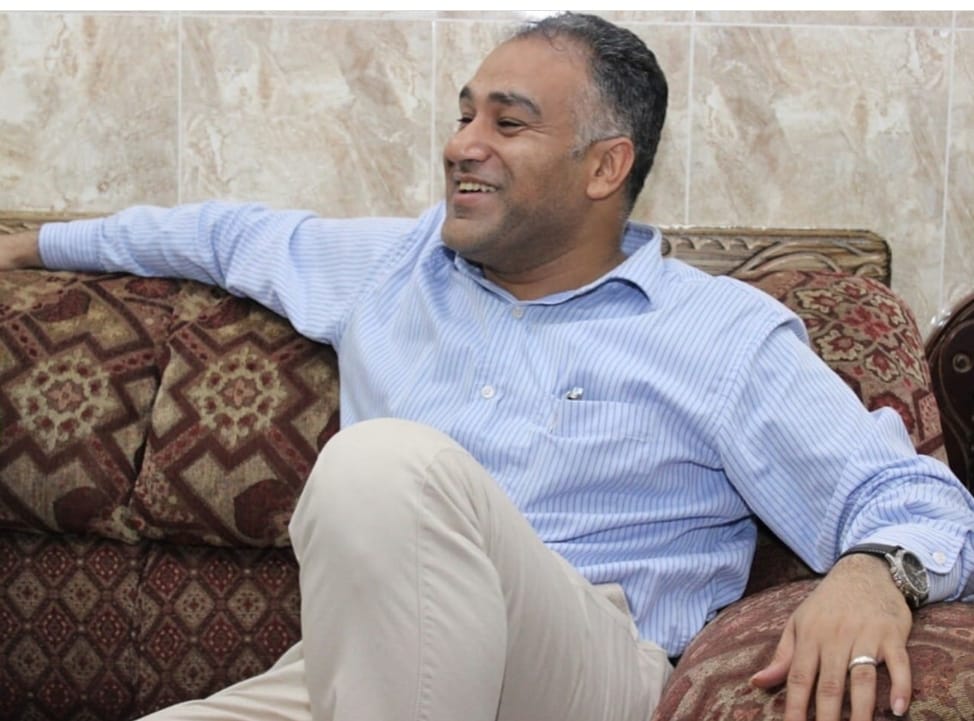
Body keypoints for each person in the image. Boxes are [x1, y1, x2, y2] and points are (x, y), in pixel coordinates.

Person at [3, 12, 973, 721]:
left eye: (506, 124)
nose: (460, 145)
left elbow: (913, 497)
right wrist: (33, 245)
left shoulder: (719, 333)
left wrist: (873, 572)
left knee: (382, 462)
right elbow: (221, 237)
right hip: (357, 671)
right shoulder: (390, 269)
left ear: (604, 167)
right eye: (464, 115)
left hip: (583, 671)